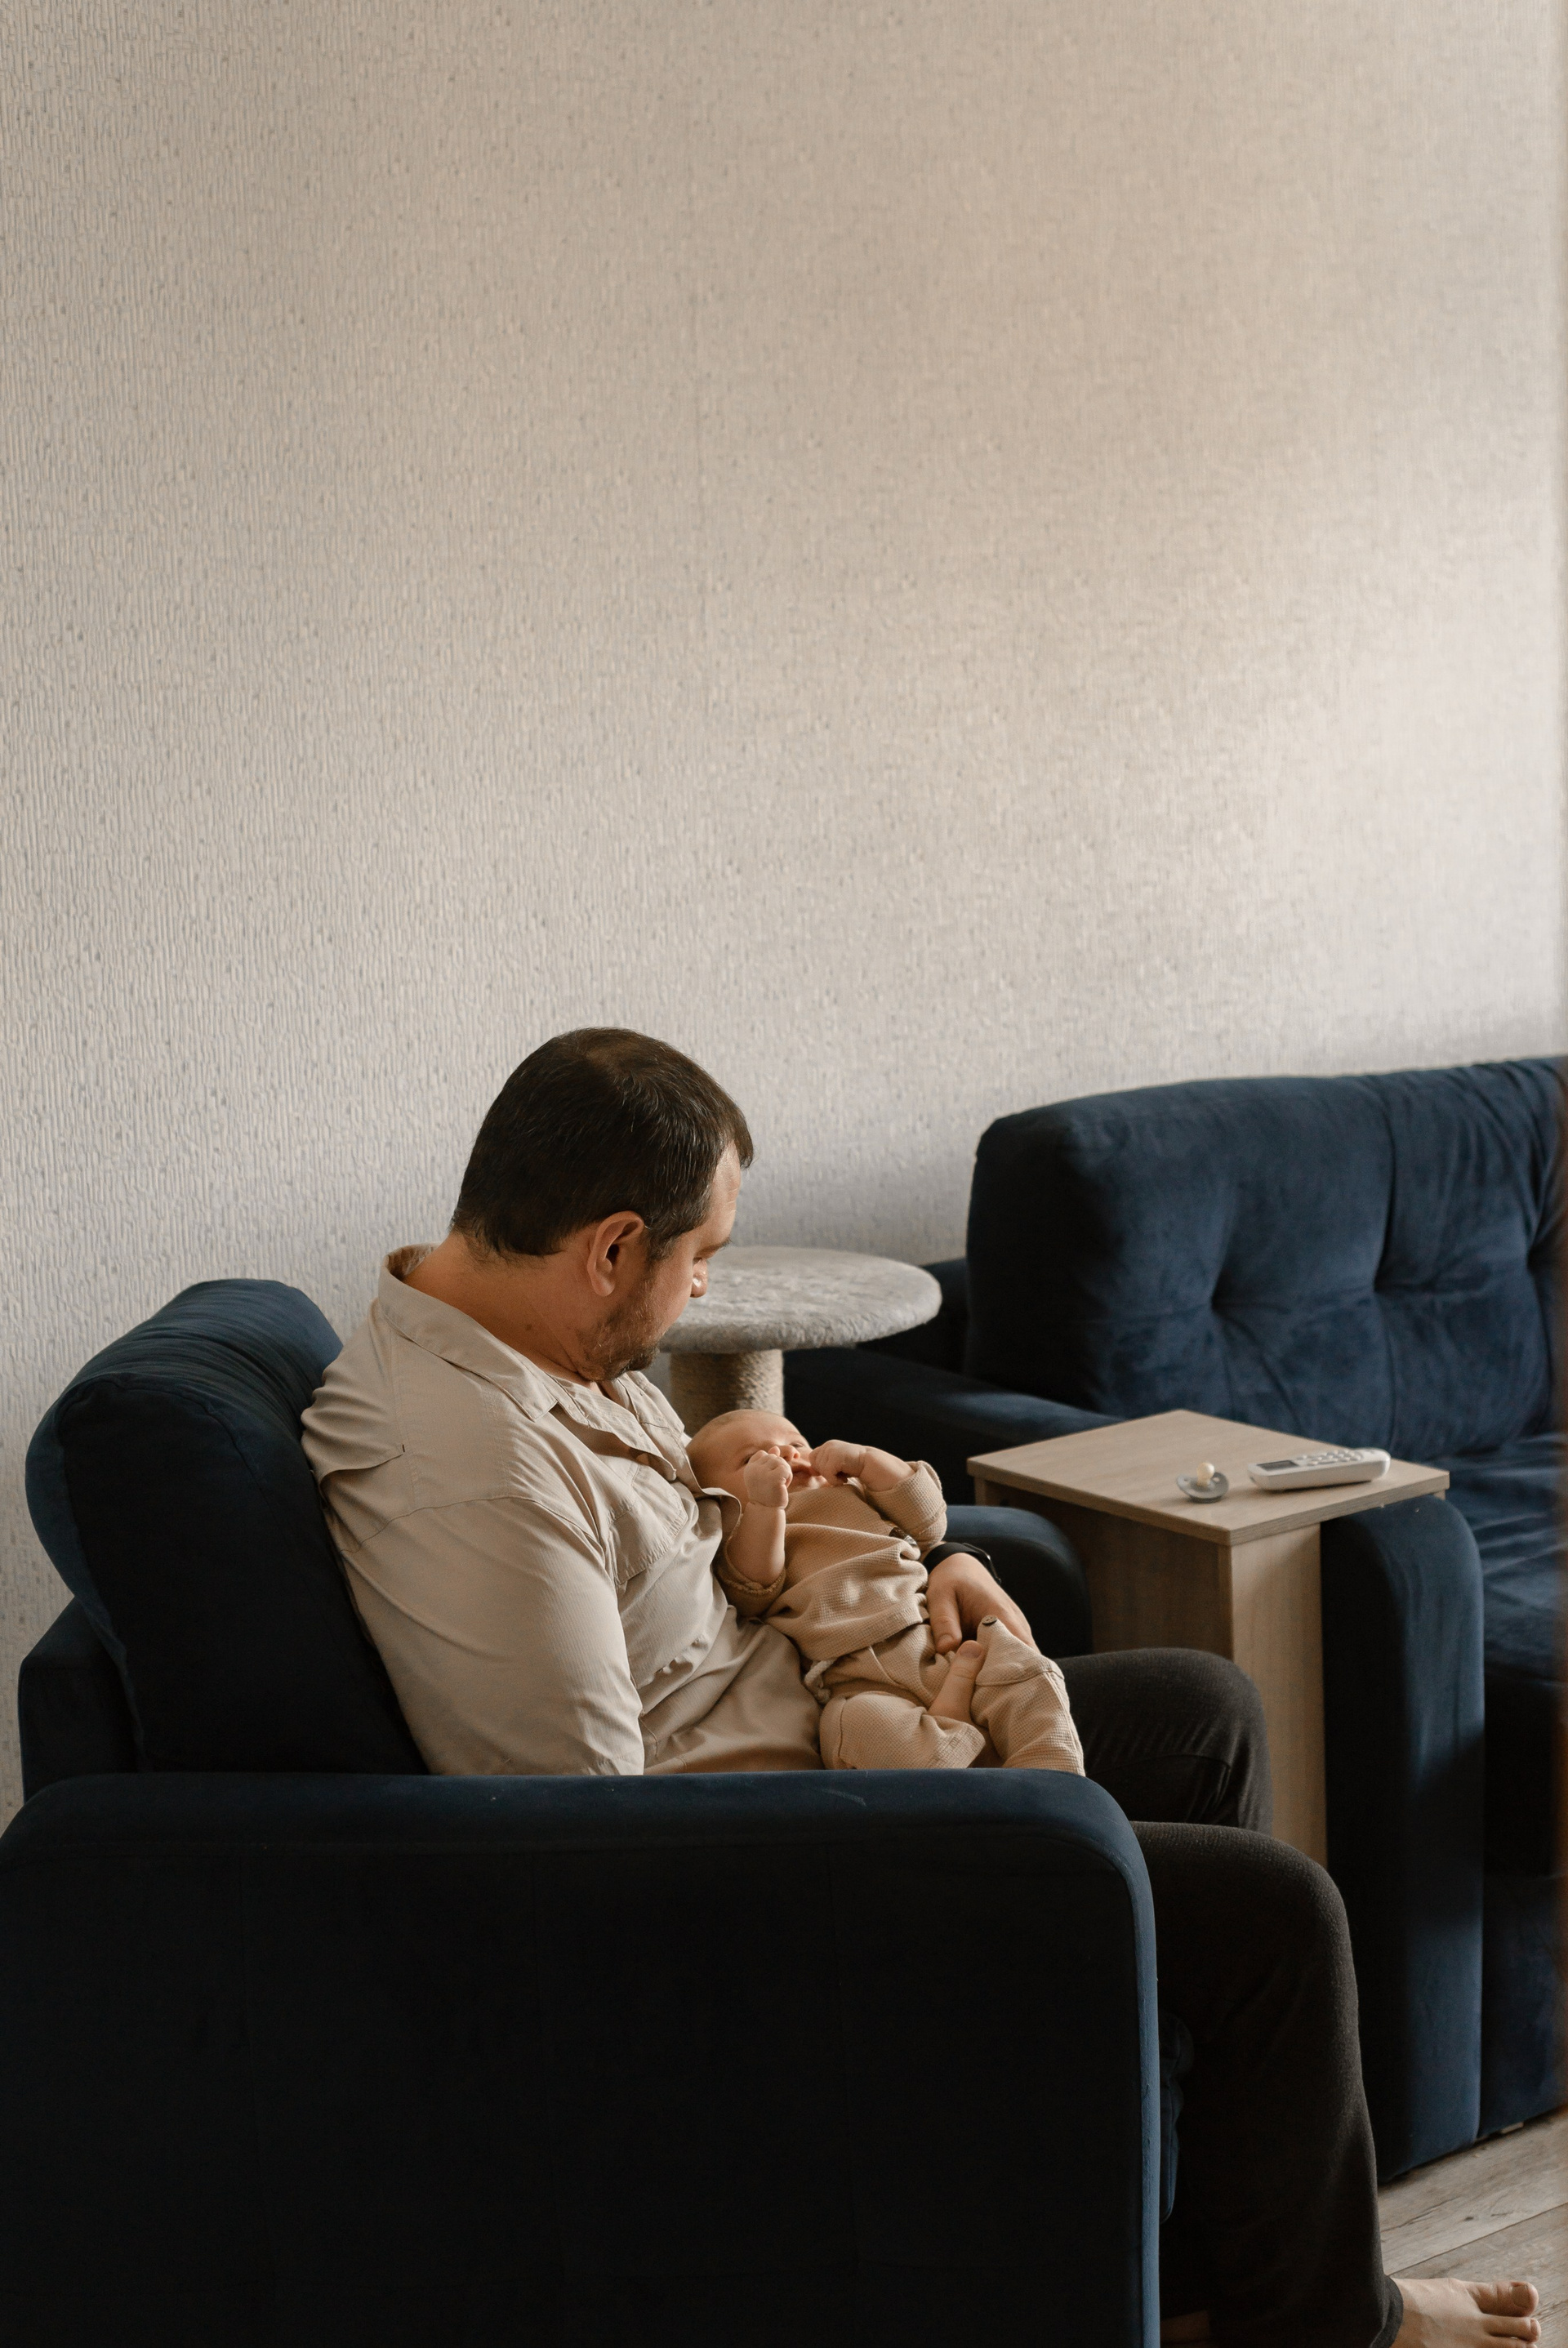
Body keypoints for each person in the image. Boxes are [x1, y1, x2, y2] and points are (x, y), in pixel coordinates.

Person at [301, 1027, 1540, 2348]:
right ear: (612, 1247)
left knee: (1201, 1713)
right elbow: (591, 1846)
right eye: (700, 1257)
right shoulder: (478, 1474)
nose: (703, 1289)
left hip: (829, 1728)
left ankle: (1188, 2281)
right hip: (780, 1875)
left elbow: (701, 1575)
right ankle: (1331, 2323)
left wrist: (932, 1571)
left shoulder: (540, 1350)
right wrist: (942, 1798)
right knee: (1275, 1912)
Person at [686, 1406, 1084, 1773]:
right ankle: (963, 1786)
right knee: (856, 1728)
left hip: (938, 1642)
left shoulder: (854, 1491)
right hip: (854, 1681)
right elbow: (752, 1589)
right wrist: (765, 1507)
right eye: (752, 1459)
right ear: (718, 1502)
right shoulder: (746, 1532)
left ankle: (1054, 1788)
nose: (787, 1455)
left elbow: (929, 1523)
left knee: (1032, 1675)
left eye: (797, 1443)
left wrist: (866, 1461)